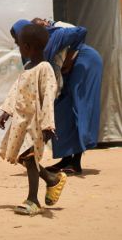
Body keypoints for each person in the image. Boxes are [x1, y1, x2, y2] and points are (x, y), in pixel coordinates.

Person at [11, 18, 102, 174]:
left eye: (18, 38)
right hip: (67, 69)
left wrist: (69, 57)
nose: (18, 43)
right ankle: (66, 159)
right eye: (16, 40)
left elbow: (81, 31)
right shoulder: (27, 50)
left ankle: (75, 162)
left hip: (84, 62)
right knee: (61, 109)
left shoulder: (53, 36)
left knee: (77, 105)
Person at [0, 23, 67, 216]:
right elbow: (16, 90)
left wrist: (47, 125)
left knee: (29, 158)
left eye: (19, 45)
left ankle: (33, 200)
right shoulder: (28, 66)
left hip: (35, 123)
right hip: (21, 121)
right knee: (21, 156)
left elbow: (48, 96)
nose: (18, 48)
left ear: (28, 47)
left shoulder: (45, 68)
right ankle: (52, 180)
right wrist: (7, 111)